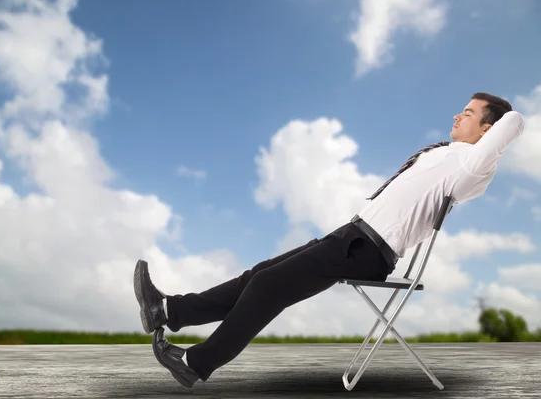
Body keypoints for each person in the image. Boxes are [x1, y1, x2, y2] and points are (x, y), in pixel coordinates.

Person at [133, 92, 525, 388]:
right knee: (261, 273)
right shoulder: (447, 153)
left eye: (469, 113)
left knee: (269, 287)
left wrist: (505, 118)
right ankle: (167, 311)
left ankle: (196, 364)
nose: (458, 114)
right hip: (353, 235)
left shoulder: (474, 165)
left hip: (369, 251)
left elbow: (513, 122)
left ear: (488, 130)